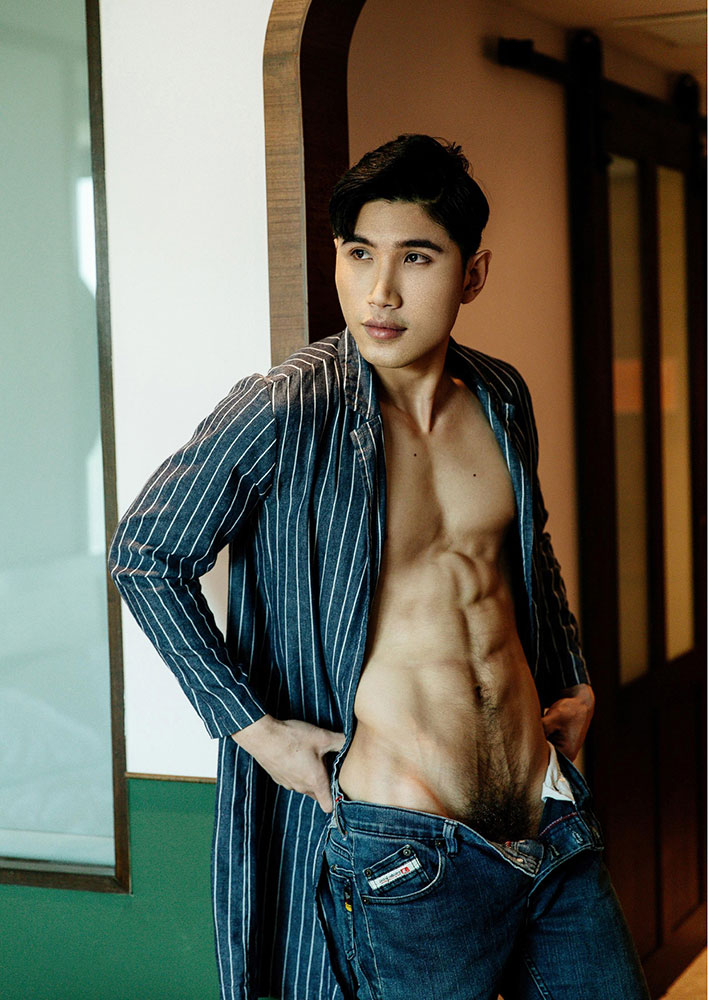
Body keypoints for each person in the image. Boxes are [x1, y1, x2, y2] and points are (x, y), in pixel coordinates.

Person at [109, 134, 649, 1000]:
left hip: (549, 819)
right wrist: (256, 731)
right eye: (359, 254)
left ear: (472, 274)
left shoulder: (500, 396)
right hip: (406, 852)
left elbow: (527, 548)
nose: (380, 291)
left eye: (416, 258)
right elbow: (145, 554)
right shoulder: (289, 408)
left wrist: (571, 676)